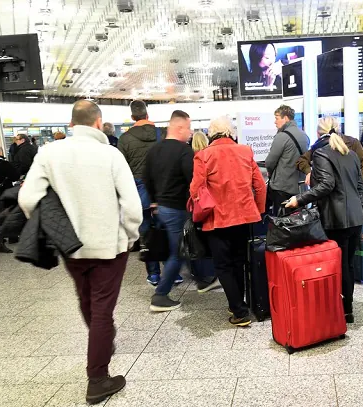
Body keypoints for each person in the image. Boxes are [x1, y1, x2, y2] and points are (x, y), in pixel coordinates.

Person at [18, 100, 142, 405]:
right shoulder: (110, 154)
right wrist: (130, 235)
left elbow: (27, 197)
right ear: (98, 123)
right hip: (108, 246)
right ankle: (98, 377)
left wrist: (56, 226)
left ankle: (102, 343)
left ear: (72, 124)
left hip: (71, 246)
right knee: (102, 308)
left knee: (85, 298)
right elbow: (131, 205)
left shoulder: (49, 152)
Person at [285, 117, 363, 323]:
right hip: (356, 217)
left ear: (319, 134)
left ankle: (338, 309)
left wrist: (299, 199)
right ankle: (348, 310)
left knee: (336, 264)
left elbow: (326, 185)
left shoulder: (320, 154)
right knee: (348, 264)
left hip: (336, 219)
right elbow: (359, 186)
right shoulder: (352, 154)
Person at [190, 116, 266, 326]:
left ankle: (239, 311)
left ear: (211, 133)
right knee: (238, 262)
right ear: (230, 132)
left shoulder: (203, 156)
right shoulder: (245, 151)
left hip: (218, 219)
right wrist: (257, 211)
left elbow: (196, 189)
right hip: (244, 218)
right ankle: (237, 304)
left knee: (223, 266)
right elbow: (260, 186)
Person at [143, 111, 219, 312]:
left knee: (183, 247)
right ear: (178, 127)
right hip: (178, 209)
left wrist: (154, 201)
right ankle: (160, 295)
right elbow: (194, 181)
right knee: (179, 252)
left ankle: (203, 280)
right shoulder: (184, 152)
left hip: (162, 208)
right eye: (188, 127)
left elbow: (146, 178)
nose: (190, 132)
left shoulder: (154, 150)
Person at [118, 100, 170, 286]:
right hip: (164, 190)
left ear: (132, 117)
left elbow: (121, 170)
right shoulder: (163, 133)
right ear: (147, 115)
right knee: (166, 229)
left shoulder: (125, 139)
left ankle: (154, 274)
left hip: (139, 192)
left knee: (146, 232)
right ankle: (172, 272)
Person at [296, 121, 363, 185]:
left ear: (318, 134)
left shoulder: (318, 147)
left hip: (328, 193)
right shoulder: (352, 143)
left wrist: (361, 179)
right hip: (348, 192)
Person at [265, 104, 309, 215]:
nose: (275, 122)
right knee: (299, 220)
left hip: (282, 187)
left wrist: (270, 173)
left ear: (285, 118)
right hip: (300, 187)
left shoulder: (281, 137)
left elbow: (270, 162)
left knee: (283, 221)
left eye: (277, 118)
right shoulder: (304, 136)